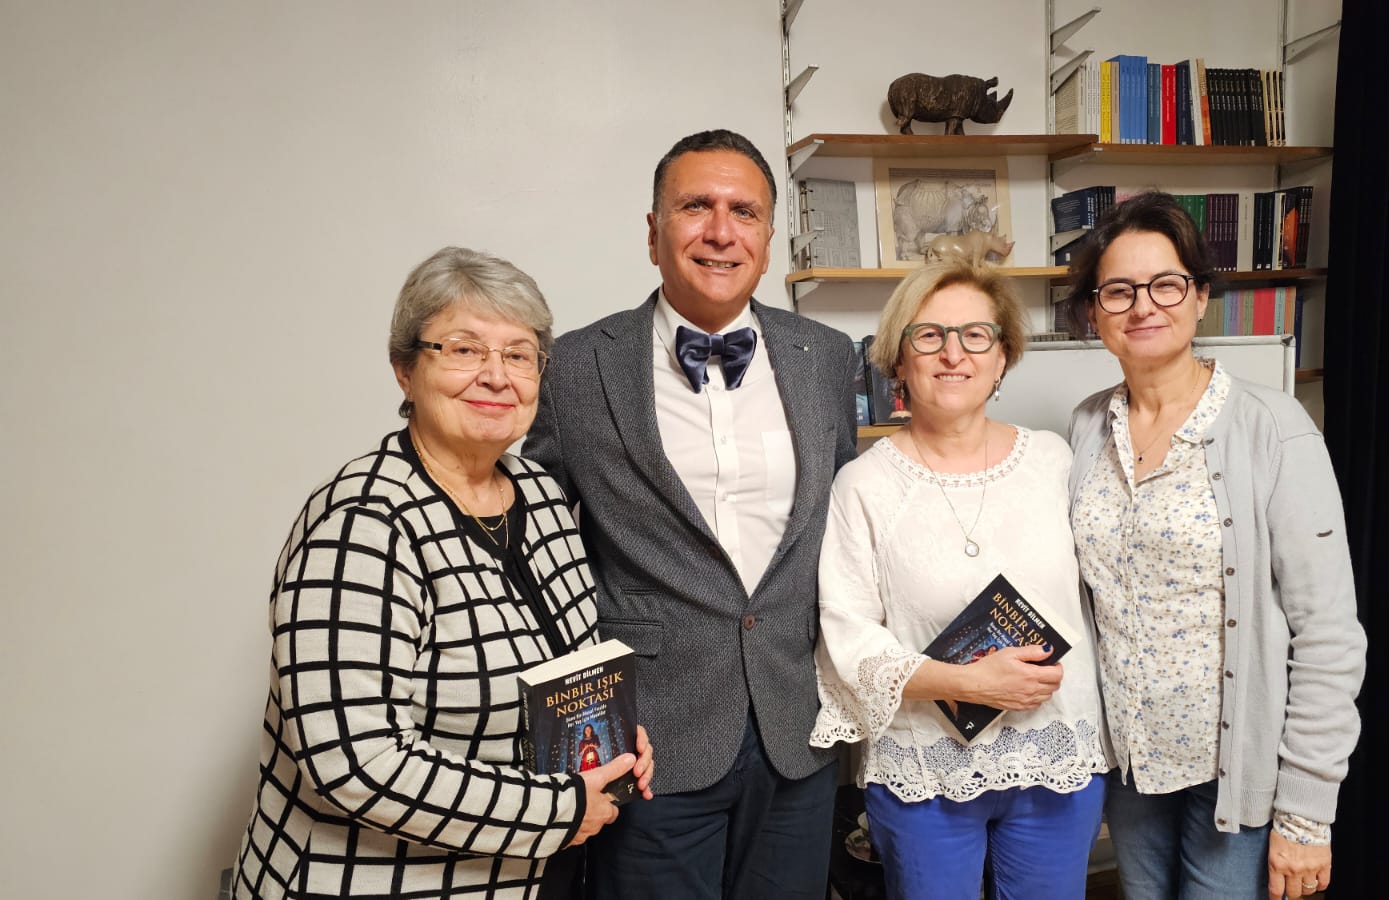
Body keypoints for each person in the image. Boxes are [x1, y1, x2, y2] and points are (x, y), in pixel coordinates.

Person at [231, 247, 654, 900]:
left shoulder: (541, 493)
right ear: (405, 369)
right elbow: (353, 762)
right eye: (463, 350)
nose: (496, 376)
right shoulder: (362, 523)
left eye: (519, 355)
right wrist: (559, 808)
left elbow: (566, 671)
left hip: (533, 875)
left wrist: (611, 737)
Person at [521, 129, 857, 899]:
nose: (720, 231)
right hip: (648, 736)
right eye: (695, 206)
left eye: (745, 212)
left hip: (796, 726)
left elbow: (846, 526)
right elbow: (540, 549)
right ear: (653, 233)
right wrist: (579, 722)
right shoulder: (574, 367)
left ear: (767, 239)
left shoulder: (827, 356)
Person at [1060, 191, 1366, 900]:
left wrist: (1307, 811)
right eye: (1118, 290)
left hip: (1235, 768)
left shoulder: (1273, 428)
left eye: (1166, 284)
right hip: (1132, 765)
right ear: (1094, 313)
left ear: (1200, 297)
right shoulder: (1086, 426)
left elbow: (1328, 633)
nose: (1143, 306)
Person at [809, 260, 1108, 900]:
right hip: (926, 768)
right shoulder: (862, 485)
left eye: (976, 335)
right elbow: (848, 634)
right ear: (898, 361)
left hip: (1055, 755)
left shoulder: (1054, 460)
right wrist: (968, 683)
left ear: (1003, 358)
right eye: (929, 335)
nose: (953, 354)